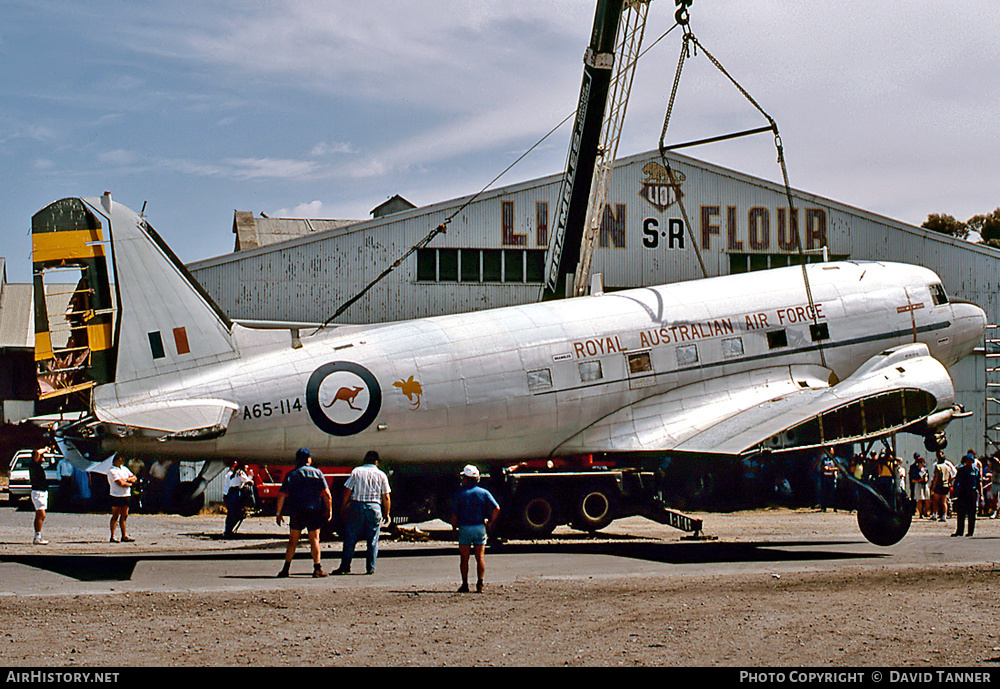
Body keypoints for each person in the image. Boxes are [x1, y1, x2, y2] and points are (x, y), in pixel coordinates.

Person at [276, 448, 332, 578]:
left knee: (293, 541)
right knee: (314, 540)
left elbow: (282, 495)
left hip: (296, 511)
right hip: (313, 511)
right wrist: (329, 510)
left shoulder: (291, 475)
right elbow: (327, 494)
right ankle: (317, 569)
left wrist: (279, 513)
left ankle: (286, 569)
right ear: (308, 459)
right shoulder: (318, 473)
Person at [333, 451, 391, 576]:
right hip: (374, 507)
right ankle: (370, 568)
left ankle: (345, 566)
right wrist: (387, 513)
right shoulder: (381, 475)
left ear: (364, 460)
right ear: (376, 462)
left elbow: (347, 490)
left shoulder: (356, 472)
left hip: (357, 506)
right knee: (373, 540)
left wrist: (343, 507)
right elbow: (386, 496)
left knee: (350, 538)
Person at [449, 465, 500, 593]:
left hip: (465, 528)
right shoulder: (483, 493)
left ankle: (465, 584)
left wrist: (454, 529)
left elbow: (454, 515)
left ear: (466, 478)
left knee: (464, 558)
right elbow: (496, 508)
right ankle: (480, 583)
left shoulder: (460, 493)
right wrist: (491, 522)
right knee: (480, 557)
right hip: (479, 527)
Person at [108, 455, 137, 543]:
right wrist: (129, 483)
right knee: (115, 515)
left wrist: (126, 479)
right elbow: (120, 483)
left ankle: (124, 535)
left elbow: (134, 477)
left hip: (126, 495)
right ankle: (112, 536)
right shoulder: (112, 470)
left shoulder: (124, 469)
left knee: (124, 515)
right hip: (116, 495)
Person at [952, 453, 982, 537]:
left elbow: (979, 483)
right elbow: (956, 481)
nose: (968, 463)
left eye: (970, 461)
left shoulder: (975, 470)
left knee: (971, 513)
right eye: (967, 461)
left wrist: (981, 494)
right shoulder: (961, 470)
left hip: (972, 493)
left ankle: (970, 532)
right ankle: (959, 531)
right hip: (962, 493)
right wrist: (955, 491)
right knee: (960, 513)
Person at [223, 462, 254, 538]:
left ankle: (228, 530)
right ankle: (229, 531)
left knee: (231, 513)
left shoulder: (232, 473)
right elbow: (247, 482)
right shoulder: (240, 473)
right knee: (237, 513)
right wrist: (251, 478)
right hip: (236, 493)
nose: (247, 468)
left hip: (230, 493)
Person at [29, 448, 50, 545]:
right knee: (41, 514)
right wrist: (45, 449)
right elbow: (37, 452)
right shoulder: (34, 465)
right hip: (38, 492)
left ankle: (38, 536)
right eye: (42, 456)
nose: (43, 458)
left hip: (42, 492)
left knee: (40, 514)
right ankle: (37, 537)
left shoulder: (38, 466)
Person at [930, 451, 953, 522]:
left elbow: (935, 478)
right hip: (946, 486)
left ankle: (935, 514)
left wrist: (933, 487)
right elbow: (950, 476)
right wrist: (949, 483)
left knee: (935, 501)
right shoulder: (948, 467)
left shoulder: (938, 467)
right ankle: (944, 516)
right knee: (944, 502)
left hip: (939, 485)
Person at [909, 454, 930, 518]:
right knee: (920, 499)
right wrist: (919, 480)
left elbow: (928, 476)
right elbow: (912, 479)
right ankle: (920, 513)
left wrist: (926, 479)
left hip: (925, 484)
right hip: (918, 484)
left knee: (927, 498)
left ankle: (926, 512)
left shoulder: (925, 469)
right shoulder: (914, 469)